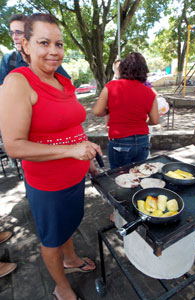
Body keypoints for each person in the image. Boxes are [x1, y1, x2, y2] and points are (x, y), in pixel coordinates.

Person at [0, 13, 102, 300]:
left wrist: (88, 160)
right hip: (49, 185)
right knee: (52, 239)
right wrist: (71, 151)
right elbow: (14, 146)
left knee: (68, 226)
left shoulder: (63, 80)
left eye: (58, 44)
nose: (54, 51)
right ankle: (62, 287)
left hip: (75, 176)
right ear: (26, 45)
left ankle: (70, 260)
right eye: (44, 42)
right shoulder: (18, 82)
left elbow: (73, 125)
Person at [93, 52, 159, 169]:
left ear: (123, 68)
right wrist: (142, 123)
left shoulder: (111, 86)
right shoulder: (149, 92)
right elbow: (155, 120)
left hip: (120, 140)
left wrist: (112, 110)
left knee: (119, 178)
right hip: (143, 141)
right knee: (140, 175)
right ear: (144, 70)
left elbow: (97, 111)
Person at [0, 13, 70, 85]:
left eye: (19, 32)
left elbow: (67, 84)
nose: (14, 37)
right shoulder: (8, 60)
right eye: (12, 33)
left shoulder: (48, 58)